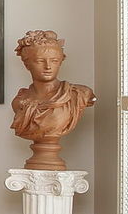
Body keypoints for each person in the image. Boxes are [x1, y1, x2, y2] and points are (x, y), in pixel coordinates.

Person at [9, 30, 95, 170]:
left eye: (54, 61)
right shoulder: (20, 102)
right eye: (40, 61)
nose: (48, 66)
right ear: (27, 65)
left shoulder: (78, 94)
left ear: (60, 62)